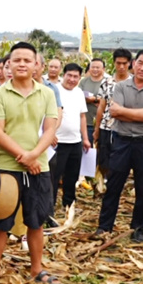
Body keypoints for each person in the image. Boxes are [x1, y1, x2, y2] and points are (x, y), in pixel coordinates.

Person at [0, 42, 60, 284]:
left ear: (36, 65)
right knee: (1, 223)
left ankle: (36, 269)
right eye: (16, 60)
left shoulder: (47, 93)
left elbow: (50, 129)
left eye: (27, 60)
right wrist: (26, 157)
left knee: (36, 221)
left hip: (39, 166)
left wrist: (34, 155)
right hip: (7, 167)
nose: (21, 64)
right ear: (9, 64)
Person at [95, 50, 143, 243]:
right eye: (140, 63)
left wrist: (133, 113)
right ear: (133, 64)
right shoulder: (121, 86)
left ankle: (138, 229)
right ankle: (104, 226)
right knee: (114, 185)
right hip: (122, 140)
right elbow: (115, 112)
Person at [51, 63, 90, 211]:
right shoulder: (54, 91)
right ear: (64, 75)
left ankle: (68, 204)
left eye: (76, 77)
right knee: (55, 176)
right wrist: (51, 133)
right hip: (58, 142)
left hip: (75, 142)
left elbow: (82, 117)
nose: (72, 79)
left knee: (72, 177)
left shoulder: (79, 92)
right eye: (70, 75)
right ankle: (50, 206)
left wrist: (85, 138)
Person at [93, 49, 133, 184]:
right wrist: (97, 129)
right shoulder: (106, 82)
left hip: (125, 128)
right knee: (104, 157)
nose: (121, 66)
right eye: (118, 63)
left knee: (121, 159)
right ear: (114, 63)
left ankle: (117, 183)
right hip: (106, 126)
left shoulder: (134, 83)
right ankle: (103, 183)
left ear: (130, 64)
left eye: (124, 63)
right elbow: (101, 107)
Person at [79, 58, 106, 146]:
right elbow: (78, 97)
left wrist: (94, 99)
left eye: (98, 67)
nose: (95, 70)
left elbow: (109, 100)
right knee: (87, 151)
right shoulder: (83, 82)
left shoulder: (107, 82)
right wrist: (97, 99)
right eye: (93, 67)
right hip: (86, 123)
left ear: (103, 69)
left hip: (103, 124)